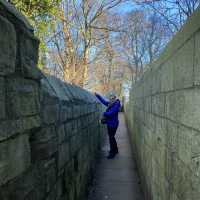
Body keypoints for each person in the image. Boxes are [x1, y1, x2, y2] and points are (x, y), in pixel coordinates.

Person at [95, 91, 121, 159]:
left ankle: (113, 152)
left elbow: (111, 113)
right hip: (110, 123)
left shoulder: (117, 104)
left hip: (113, 124)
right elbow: (103, 102)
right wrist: (98, 96)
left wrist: (104, 113)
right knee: (111, 137)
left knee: (111, 137)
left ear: (115, 98)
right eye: (110, 98)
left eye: (112, 98)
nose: (111, 99)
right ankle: (115, 150)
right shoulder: (111, 103)